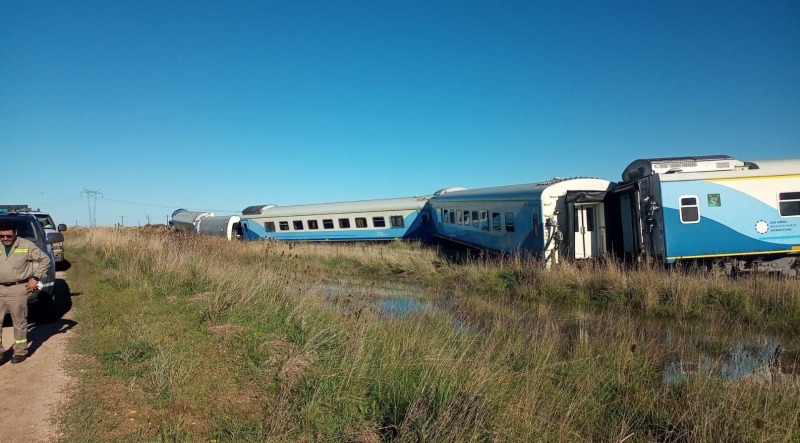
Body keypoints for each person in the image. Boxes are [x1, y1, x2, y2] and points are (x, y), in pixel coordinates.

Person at [0, 219, 51, 364]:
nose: (5, 239)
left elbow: (45, 260)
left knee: (19, 322)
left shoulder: (26, 245)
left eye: (8, 236)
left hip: (17, 289)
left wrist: (35, 278)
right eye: (2, 236)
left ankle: (20, 351)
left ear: (15, 233)